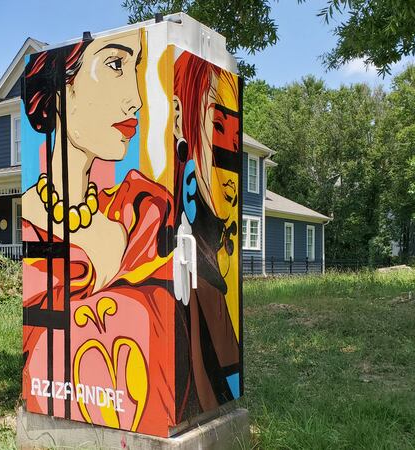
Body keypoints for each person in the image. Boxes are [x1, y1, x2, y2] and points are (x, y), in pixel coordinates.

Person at [21, 29, 176, 436]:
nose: (136, 100)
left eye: (136, 68)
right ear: (59, 91)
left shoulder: (140, 210)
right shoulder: (30, 224)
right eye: (114, 64)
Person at [172, 50, 242, 417]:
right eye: (217, 126)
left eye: (234, 138)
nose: (229, 162)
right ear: (178, 117)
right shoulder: (172, 209)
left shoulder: (209, 239)